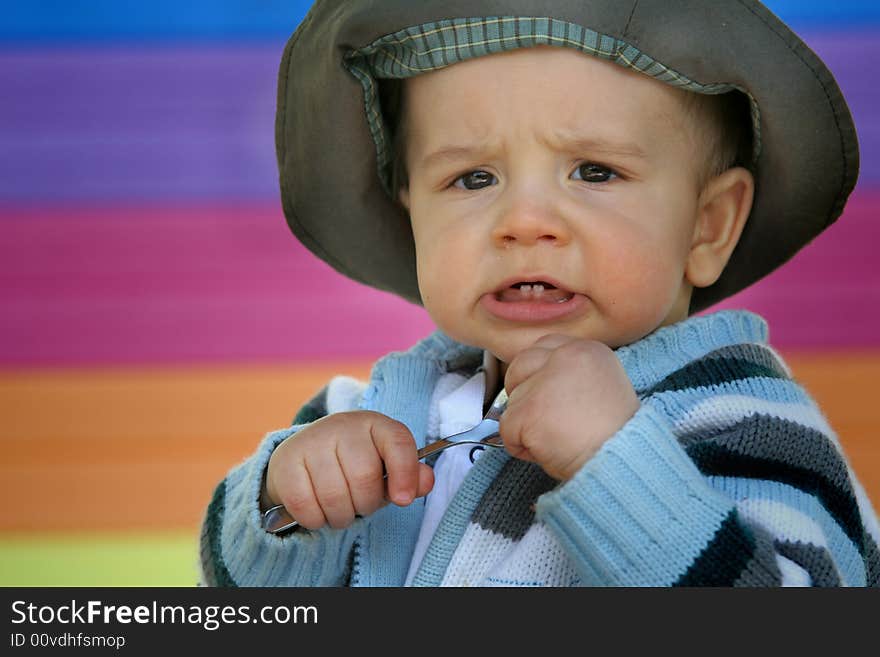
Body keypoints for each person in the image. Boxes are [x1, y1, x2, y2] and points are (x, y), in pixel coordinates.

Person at [200, 0, 879, 587]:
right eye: (472, 179)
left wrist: (613, 463)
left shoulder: (747, 423)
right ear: (411, 212)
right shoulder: (371, 414)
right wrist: (282, 504)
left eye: (593, 170)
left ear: (710, 223)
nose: (524, 222)